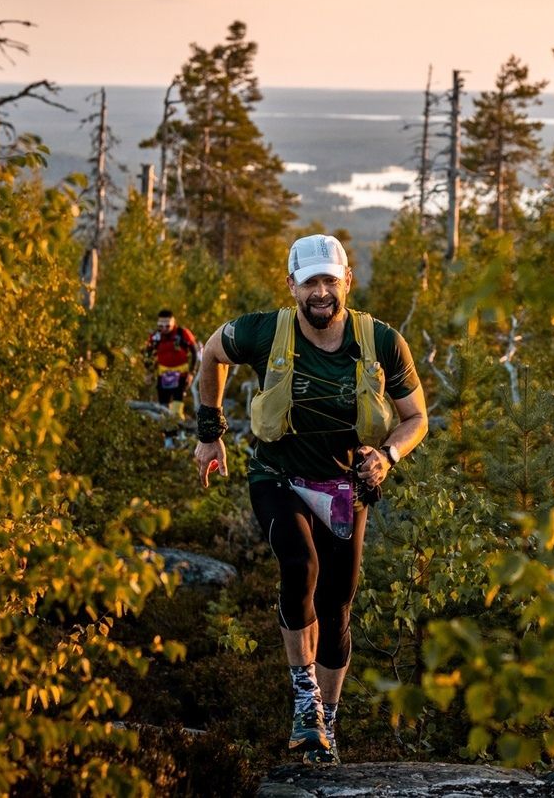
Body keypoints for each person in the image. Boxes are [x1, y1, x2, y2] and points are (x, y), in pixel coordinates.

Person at [192, 234, 427, 765]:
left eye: (329, 281)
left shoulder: (381, 342)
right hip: (277, 474)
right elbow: (210, 352)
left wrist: (387, 456)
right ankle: (305, 702)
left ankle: (328, 723)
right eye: (309, 282)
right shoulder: (263, 331)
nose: (320, 293)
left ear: (347, 281)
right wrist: (210, 432)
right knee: (299, 565)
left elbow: (416, 418)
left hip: (345, 487)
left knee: (336, 607)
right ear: (291, 285)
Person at [143, 309, 200, 422]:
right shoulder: (155, 336)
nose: (164, 328)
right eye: (161, 326)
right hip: (162, 374)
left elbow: (195, 352)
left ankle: (177, 426)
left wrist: (191, 372)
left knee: (177, 403)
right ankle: (167, 433)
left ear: (173, 322)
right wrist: (149, 372)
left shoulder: (182, 333)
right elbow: (147, 354)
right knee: (163, 404)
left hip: (180, 374)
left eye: (167, 326)